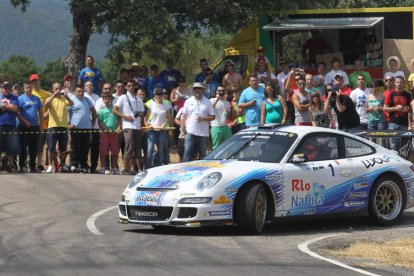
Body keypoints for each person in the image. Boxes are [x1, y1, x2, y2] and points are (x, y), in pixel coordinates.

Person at [113, 79, 146, 175]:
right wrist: (125, 116)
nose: (131, 87)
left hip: (137, 127)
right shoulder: (123, 98)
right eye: (129, 85)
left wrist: (142, 127)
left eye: (133, 85)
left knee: (138, 149)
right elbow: (114, 110)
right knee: (129, 148)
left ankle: (138, 169)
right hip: (128, 126)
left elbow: (141, 115)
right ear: (126, 87)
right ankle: (126, 169)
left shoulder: (139, 99)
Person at [180, 82, 215, 162]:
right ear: (192, 90)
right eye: (195, 88)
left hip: (203, 133)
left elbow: (213, 117)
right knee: (187, 152)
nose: (197, 90)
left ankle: (202, 172)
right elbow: (183, 116)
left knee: (202, 154)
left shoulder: (208, 102)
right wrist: (182, 130)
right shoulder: (188, 101)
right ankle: (186, 170)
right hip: (190, 131)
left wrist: (204, 118)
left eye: (199, 88)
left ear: (203, 90)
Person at [44, 82, 74, 173]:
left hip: (63, 127)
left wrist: (66, 96)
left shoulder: (63, 99)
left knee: (63, 148)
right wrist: (54, 96)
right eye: (56, 88)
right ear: (53, 90)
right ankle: (50, 165)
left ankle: (63, 165)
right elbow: (46, 105)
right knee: (51, 147)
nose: (58, 90)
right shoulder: (50, 98)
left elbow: (71, 103)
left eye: (59, 88)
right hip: (53, 126)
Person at [68, 85, 97, 173]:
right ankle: (74, 164)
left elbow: (94, 111)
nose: (80, 93)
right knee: (75, 147)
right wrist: (68, 124)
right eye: (78, 91)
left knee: (85, 148)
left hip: (86, 128)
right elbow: (66, 113)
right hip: (75, 128)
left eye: (82, 91)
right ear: (75, 92)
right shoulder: (71, 100)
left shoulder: (87, 100)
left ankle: (83, 164)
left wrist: (92, 123)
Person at [17, 82, 44, 173]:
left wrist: (41, 125)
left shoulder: (36, 99)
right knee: (23, 147)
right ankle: (22, 165)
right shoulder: (20, 98)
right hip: (23, 126)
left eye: (30, 88)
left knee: (34, 148)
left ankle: (32, 167)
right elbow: (17, 113)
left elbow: (40, 112)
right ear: (24, 89)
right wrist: (25, 121)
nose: (29, 89)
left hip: (35, 127)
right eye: (27, 88)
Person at [145, 87, 173, 168]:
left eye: (161, 94)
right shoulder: (150, 105)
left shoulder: (166, 105)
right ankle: (148, 168)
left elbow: (170, 118)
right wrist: (148, 125)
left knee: (161, 150)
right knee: (150, 150)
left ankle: (158, 168)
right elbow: (145, 118)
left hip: (162, 130)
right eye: (158, 94)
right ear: (155, 95)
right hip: (152, 130)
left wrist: (165, 124)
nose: (160, 96)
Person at [97, 91, 122, 175]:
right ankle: (103, 167)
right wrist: (106, 129)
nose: (107, 100)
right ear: (103, 100)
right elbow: (100, 122)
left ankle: (114, 168)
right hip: (105, 134)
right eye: (105, 98)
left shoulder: (115, 109)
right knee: (104, 151)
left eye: (108, 98)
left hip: (115, 133)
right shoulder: (101, 111)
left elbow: (119, 119)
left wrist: (119, 127)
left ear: (111, 99)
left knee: (115, 152)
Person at [384, 76, 411, 151]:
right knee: (393, 147)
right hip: (393, 123)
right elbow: (385, 108)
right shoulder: (391, 94)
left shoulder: (407, 95)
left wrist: (407, 109)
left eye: (400, 82)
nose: (399, 84)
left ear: (404, 83)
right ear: (395, 83)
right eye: (397, 82)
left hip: (405, 124)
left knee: (404, 148)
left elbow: (410, 110)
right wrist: (395, 108)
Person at [30, 73, 50, 171]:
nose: (35, 83)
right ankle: (33, 164)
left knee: (42, 146)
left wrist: (46, 114)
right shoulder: (30, 93)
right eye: (33, 81)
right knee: (35, 146)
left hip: (46, 123)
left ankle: (39, 164)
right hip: (34, 124)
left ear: (39, 81)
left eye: (36, 81)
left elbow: (51, 105)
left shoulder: (45, 93)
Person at [0, 81, 20, 172]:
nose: (6, 89)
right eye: (4, 87)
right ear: (1, 88)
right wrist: (9, 106)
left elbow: (15, 108)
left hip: (11, 125)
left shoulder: (14, 97)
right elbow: (11, 108)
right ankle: (2, 166)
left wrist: (3, 105)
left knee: (11, 147)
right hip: (0, 125)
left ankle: (11, 166)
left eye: (8, 87)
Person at [84, 81, 101, 173]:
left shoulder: (97, 97)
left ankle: (93, 167)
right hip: (86, 125)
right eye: (87, 85)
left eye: (91, 85)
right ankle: (85, 165)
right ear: (85, 87)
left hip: (95, 126)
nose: (89, 87)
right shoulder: (82, 96)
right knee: (85, 147)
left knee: (95, 148)